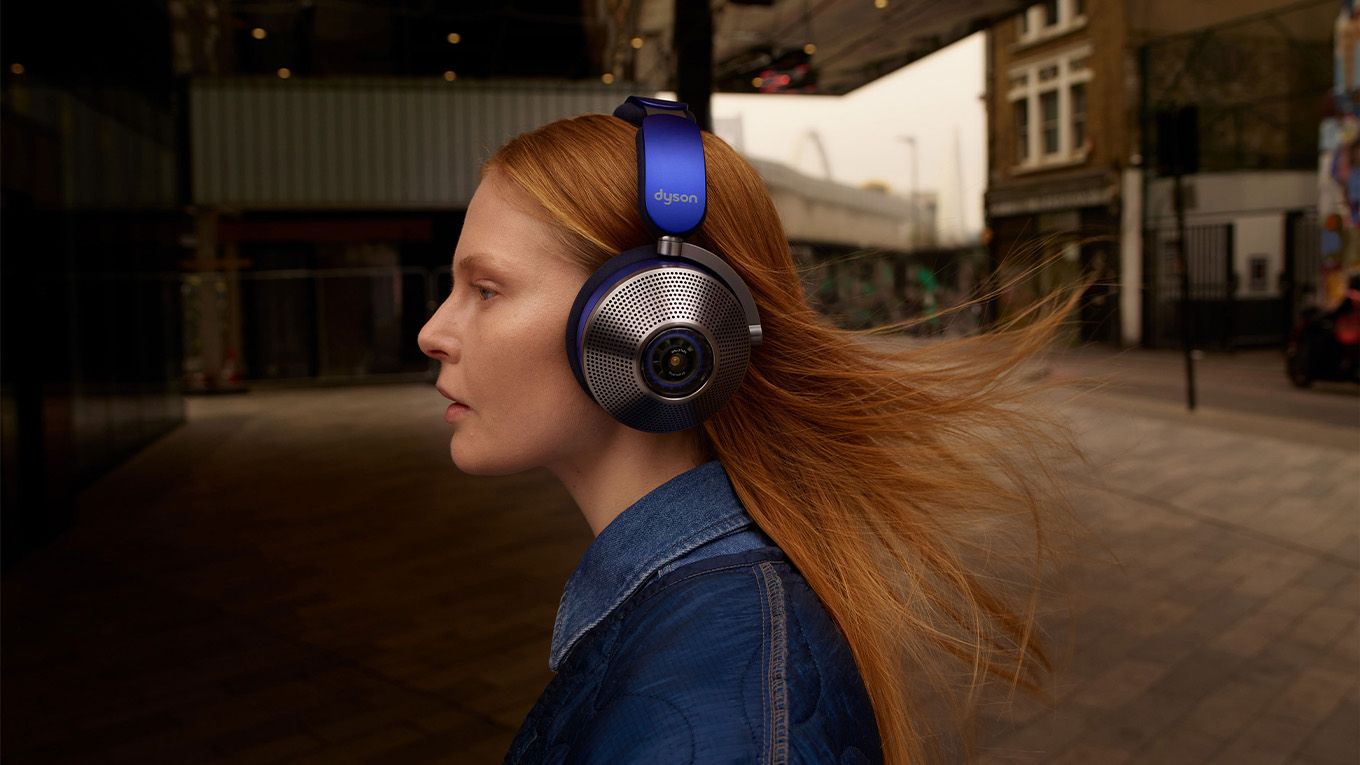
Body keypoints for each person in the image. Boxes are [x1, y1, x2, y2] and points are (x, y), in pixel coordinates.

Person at [418, 100, 1081, 764]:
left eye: (485, 289)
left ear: (666, 315)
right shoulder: (715, 633)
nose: (433, 333)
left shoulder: (720, 716)